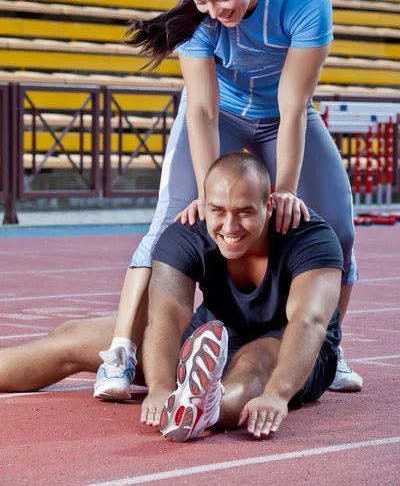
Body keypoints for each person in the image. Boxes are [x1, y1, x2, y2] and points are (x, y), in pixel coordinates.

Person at [93, 0, 362, 400]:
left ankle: (330, 348)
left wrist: (284, 190)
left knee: (337, 225)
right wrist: (206, 194)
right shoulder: (198, 18)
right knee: (169, 222)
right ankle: (119, 353)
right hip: (224, 114)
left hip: (284, 115)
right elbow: (200, 108)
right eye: (200, 2)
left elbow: (293, 105)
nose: (213, 11)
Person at [0, 153, 345, 442]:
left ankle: (198, 408)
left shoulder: (310, 237)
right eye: (219, 210)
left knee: (253, 366)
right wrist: (160, 386)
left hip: (289, 346)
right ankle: (186, 392)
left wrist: (277, 395)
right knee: (70, 336)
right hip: (209, 336)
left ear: (269, 204)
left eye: (244, 212)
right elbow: (165, 314)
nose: (229, 226)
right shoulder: (186, 233)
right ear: (203, 204)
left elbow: (309, 321)